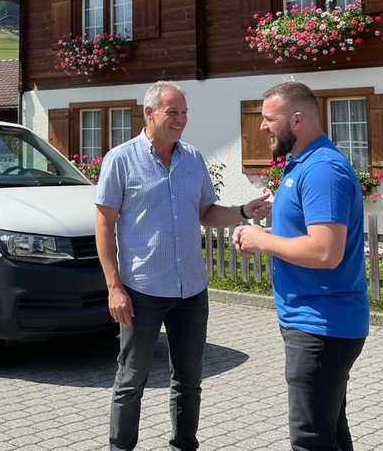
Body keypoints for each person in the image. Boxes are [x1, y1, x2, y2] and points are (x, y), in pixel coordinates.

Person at [95, 80, 271, 451]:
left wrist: (243, 211)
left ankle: (183, 445)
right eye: (172, 112)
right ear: (149, 113)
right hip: (142, 291)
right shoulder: (121, 160)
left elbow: (206, 212)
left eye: (184, 112)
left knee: (189, 381)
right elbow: (104, 225)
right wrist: (114, 287)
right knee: (131, 381)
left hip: (192, 290)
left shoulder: (192, 158)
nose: (180, 119)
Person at [233, 82, 369, 451]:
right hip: (314, 323)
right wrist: (263, 234)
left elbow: (326, 252)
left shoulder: (323, 170)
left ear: (297, 119)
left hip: (322, 325)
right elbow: (306, 237)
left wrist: (262, 240)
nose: (262, 127)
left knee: (311, 440)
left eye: (268, 119)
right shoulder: (304, 164)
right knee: (332, 433)